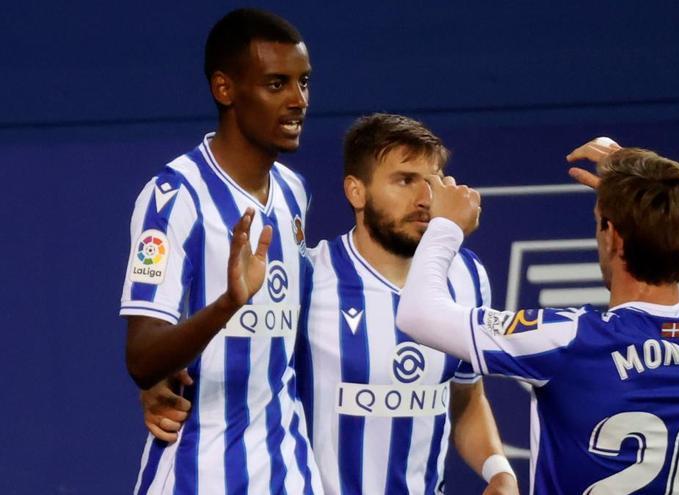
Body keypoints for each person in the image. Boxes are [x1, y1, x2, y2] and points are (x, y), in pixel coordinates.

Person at [142, 114, 519, 494]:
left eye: (433, 181)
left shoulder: (467, 276)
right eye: (405, 180)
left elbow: (467, 398)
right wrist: (158, 382)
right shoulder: (309, 276)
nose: (425, 199)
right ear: (356, 191)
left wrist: (499, 470)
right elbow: (236, 358)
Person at [396, 138, 679, 494]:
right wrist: (645, 197)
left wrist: (445, 226)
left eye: (598, 223)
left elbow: (418, 314)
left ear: (613, 237)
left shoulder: (572, 340)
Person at [120, 9, 322, 494]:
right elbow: (143, 360)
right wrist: (228, 305)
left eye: (304, 83)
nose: (298, 101)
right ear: (224, 89)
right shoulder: (175, 198)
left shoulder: (294, 192)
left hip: (289, 470)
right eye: (277, 84)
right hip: (199, 472)